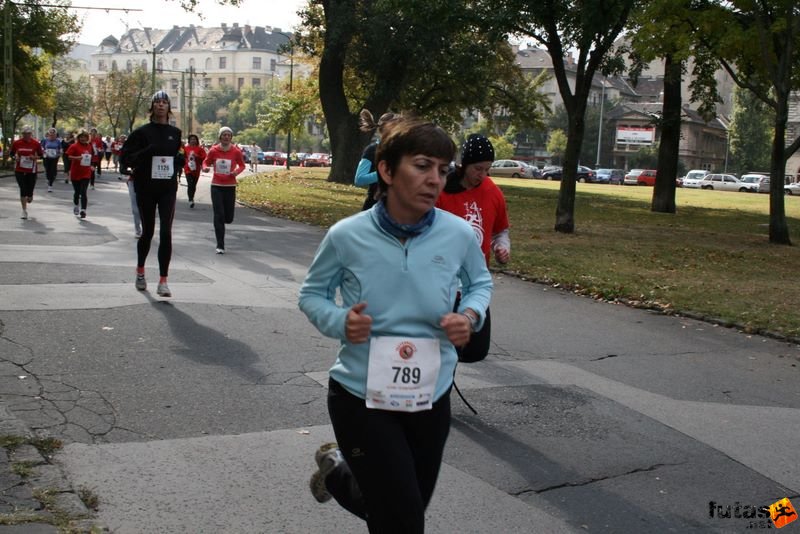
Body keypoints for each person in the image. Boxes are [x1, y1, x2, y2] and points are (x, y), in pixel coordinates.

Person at [298, 118, 493, 534]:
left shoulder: (458, 235)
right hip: (360, 396)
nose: (434, 179)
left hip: (430, 397)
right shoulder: (347, 235)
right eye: (422, 165)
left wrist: (470, 316)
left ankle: (338, 471)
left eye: (443, 169)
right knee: (403, 520)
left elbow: (480, 283)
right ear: (386, 170)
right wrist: (339, 322)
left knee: (401, 511)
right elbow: (311, 294)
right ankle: (342, 471)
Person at [435, 134, 510, 362]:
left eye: (487, 169)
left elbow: (501, 231)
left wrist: (502, 246)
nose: (483, 175)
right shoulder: (443, 188)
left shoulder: (492, 191)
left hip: (475, 282)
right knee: (446, 352)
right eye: (478, 168)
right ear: (464, 164)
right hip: (442, 282)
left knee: (475, 351)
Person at [120, 90, 184, 297]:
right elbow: (126, 160)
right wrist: (147, 152)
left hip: (167, 189)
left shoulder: (176, 134)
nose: (161, 106)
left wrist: (179, 162)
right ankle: (140, 271)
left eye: (165, 102)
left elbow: (177, 156)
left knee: (166, 232)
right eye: (157, 102)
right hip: (146, 187)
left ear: (169, 108)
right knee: (147, 232)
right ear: (152, 107)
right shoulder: (141, 133)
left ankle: (163, 281)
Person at [202, 126, 245, 254]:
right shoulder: (214, 150)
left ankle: (225, 220)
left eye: (228, 135)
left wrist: (236, 172)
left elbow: (242, 165)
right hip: (216, 186)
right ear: (220, 137)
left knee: (228, 218)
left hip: (230, 186)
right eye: (224, 135)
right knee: (218, 215)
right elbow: (205, 162)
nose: (226, 137)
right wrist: (205, 168)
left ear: (231, 137)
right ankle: (220, 244)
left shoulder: (236, 151)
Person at [354, 109, 400, 211]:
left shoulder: (402, 151)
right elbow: (359, 179)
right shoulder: (372, 150)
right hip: (374, 207)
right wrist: (384, 173)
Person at [10, 126, 44, 220]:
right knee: (22, 188)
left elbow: (41, 155)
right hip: (19, 169)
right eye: (24, 134)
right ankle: (24, 211)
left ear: (31, 134)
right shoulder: (17, 143)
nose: (26, 136)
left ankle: (30, 195)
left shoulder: (36, 143)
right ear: (22, 134)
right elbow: (12, 153)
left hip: (31, 170)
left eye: (28, 134)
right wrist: (15, 158)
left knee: (29, 190)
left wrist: (35, 158)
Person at [64, 130, 94, 218]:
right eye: (81, 137)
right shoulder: (74, 146)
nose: (83, 139)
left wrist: (91, 165)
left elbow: (90, 157)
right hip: (76, 172)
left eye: (85, 137)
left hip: (86, 172)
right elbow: (68, 156)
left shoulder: (89, 146)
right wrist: (78, 158)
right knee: (77, 192)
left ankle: (83, 210)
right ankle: (76, 205)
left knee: (83, 191)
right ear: (78, 138)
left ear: (87, 138)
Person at [183, 134, 206, 208]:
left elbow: (204, 158)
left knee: (194, 185)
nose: (193, 140)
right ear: (189, 140)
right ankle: (190, 200)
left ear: (197, 141)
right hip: (188, 169)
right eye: (191, 139)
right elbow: (182, 157)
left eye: (194, 139)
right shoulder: (185, 148)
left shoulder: (200, 149)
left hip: (196, 170)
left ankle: (192, 197)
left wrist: (197, 156)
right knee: (190, 184)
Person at [41, 128, 62, 193]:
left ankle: (50, 185)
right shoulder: (45, 140)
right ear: (48, 134)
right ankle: (48, 178)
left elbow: (60, 148)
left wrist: (59, 152)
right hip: (46, 157)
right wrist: (43, 151)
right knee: (47, 169)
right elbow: (41, 147)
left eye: (53, 134)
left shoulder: (58, 141)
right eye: (51, 134)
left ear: (56, 135)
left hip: (54, 157)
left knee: (52, 170)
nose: (52, 136)